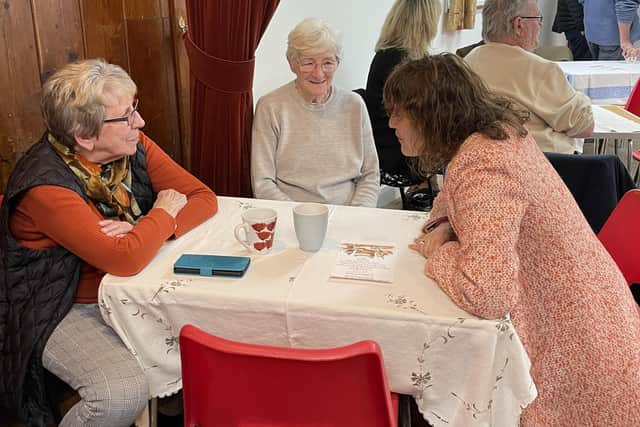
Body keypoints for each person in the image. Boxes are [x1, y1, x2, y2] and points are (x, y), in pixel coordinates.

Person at [384, 53, 640, 426]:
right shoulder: (493, 137)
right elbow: (446, 206)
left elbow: (486, 292)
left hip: (577, 358)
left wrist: (440, 252)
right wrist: (443, 228)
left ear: (429, 115)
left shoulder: (484, 163)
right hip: (594, 320)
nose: (391, 124)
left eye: (398, 113)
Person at [0, 59, 218, 426]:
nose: (141, 123)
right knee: (120, 392)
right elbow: (126, 259)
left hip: (126, 289)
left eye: (135, 109)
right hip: (55, 305)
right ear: (85, 137)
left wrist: (147, 232)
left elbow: (201, 196)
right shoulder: (46, 187)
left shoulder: (131, 146)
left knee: (217, 332)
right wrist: (159, 216)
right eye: (127, 116)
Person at [251, 18, 380, 207]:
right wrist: (304, 218)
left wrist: (357, 215)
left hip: (348, 212)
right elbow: (263, 183)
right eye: (308, 63)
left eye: (327, 62)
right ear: (292, 63)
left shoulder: (354, 105)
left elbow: (370, 174)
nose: (319, 73)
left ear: (337, 62)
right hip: (292, 214)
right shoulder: (271, 107)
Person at [465, 0, 593, 154]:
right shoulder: (540, 70)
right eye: (538, 19)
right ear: (519, 25)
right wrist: (581, 98)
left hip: (481, 162)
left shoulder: (467, 63)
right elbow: (585, 127)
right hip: (541, 167)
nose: (540, 26)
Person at [364, 0, 442, 176]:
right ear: (427, 23)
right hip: (394, 150)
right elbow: (420, 116)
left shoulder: (386, 55)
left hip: (387, 142)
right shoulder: (402, 63)